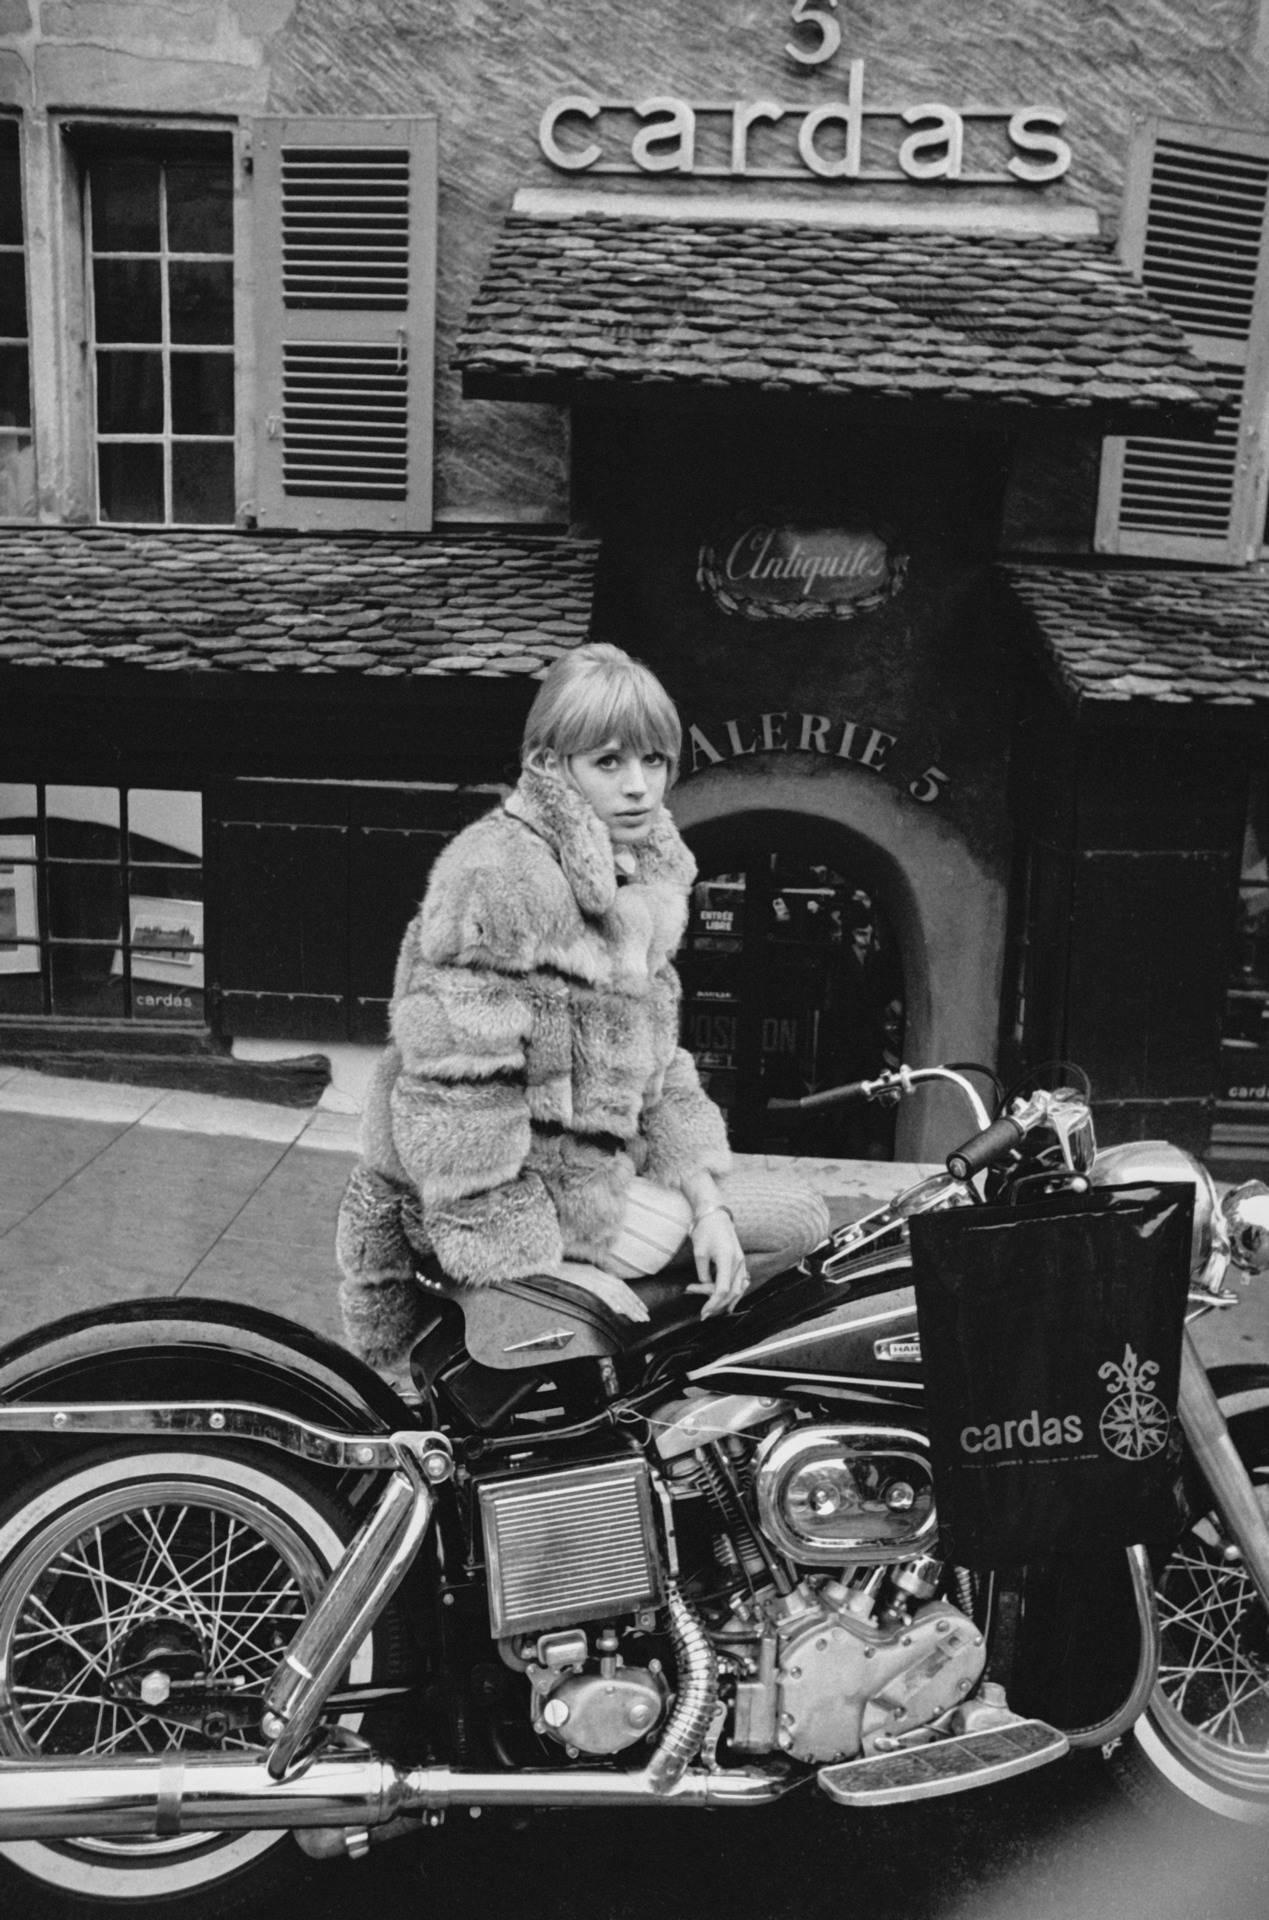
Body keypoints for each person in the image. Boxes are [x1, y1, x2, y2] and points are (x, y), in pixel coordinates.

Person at [336, 642, 830, 1373]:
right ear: (550, 766)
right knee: (798, 1225)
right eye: (608, 762)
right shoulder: (499, 875)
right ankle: (623, 1374)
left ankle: (641, 1380)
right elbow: (452, 1112)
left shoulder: (641, 884)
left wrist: (708, 1205)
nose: (638, 788)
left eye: (654, 762)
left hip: (595, 1179)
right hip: (512, 1205)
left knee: (792, 1229)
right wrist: (552, 1279)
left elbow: (664, 1076)